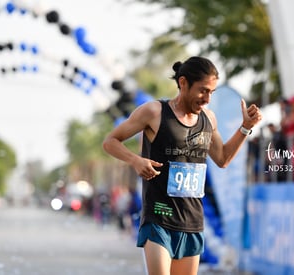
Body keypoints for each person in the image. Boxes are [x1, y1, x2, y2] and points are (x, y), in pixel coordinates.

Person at [102, 56, 262, 275]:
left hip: (191, 223)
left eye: (211, 93)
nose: (206, 99)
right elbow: (110, 141)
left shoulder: (208, 119)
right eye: (202, 90)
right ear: (184, 83)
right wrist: (136, 160)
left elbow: (223, 159)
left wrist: (245, 127)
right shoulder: (154, 112)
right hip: (158, 217)